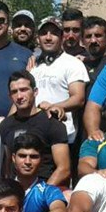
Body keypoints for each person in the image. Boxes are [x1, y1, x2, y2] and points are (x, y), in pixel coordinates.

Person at [0, 71, 71, 187]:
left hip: (46, 187)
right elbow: (8, 166)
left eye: (24, 90)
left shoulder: (51, 123)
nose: (19, 96)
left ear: (35, 92)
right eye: (14, 92)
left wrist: (40, 193)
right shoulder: (5, 125)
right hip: (16, 190)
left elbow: (64, 168)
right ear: (10, 96)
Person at [29, 16, 88, 144]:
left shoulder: (73, 63)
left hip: (62, 136)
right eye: (44, 33)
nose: (48, 37)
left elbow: (79, 99)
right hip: (34, 136)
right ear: (38, 38)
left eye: (54, 33)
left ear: (62, 37)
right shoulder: (32, 65)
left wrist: (52, 107)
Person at [80, 16, 106, 90]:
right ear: (82, 41)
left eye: (98, 36)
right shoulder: (80, 66)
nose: (93, 40)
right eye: (88, 36)